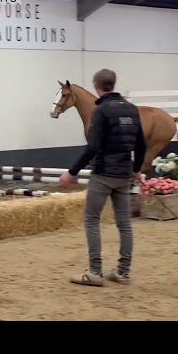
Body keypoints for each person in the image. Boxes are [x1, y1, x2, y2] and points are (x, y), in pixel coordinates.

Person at [59, 68, 146, 286]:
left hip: (103, 174)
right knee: (124, 224)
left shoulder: (101, 110)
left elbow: (93, 147)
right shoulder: (132, 109)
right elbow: (141, 144)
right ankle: (123, 272)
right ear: (113, 84)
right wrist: (136, 168)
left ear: (96, 86)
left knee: (91, 219)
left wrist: (71, 172)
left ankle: (95, 272)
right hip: (124, 174)